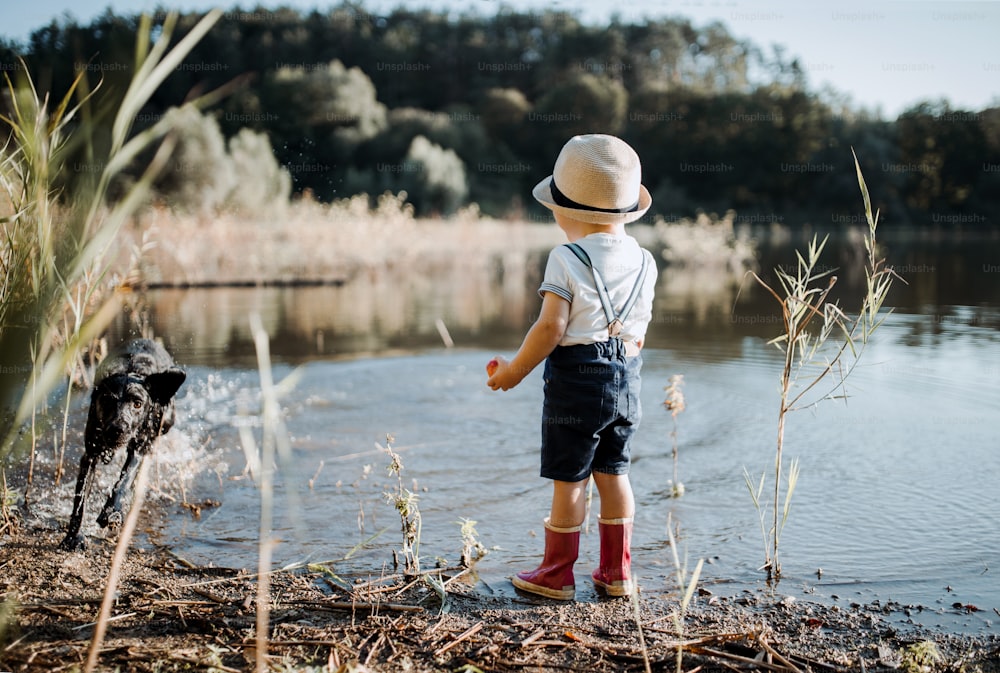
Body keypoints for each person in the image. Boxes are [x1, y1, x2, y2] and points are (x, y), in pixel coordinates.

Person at [487, 134, 657, 600]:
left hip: (577, 381)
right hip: (628, 375)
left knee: (570, 479)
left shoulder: (566, 258)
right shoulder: (645, 261)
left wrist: (512, 372)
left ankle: (558, 573)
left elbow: (549, 330)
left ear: (568, 212)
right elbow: (639, 332)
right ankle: (616, 573)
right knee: (615, 473)